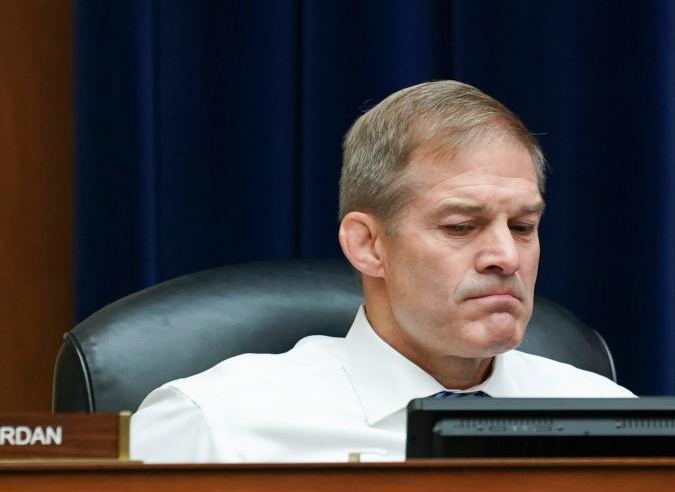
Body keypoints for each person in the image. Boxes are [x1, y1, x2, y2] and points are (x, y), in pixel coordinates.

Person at [130, 80, 633, 462]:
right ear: (367, 244)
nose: (505, 256)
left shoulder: (609, 420)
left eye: (523, 226)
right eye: (460, 226)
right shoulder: (217, 423)